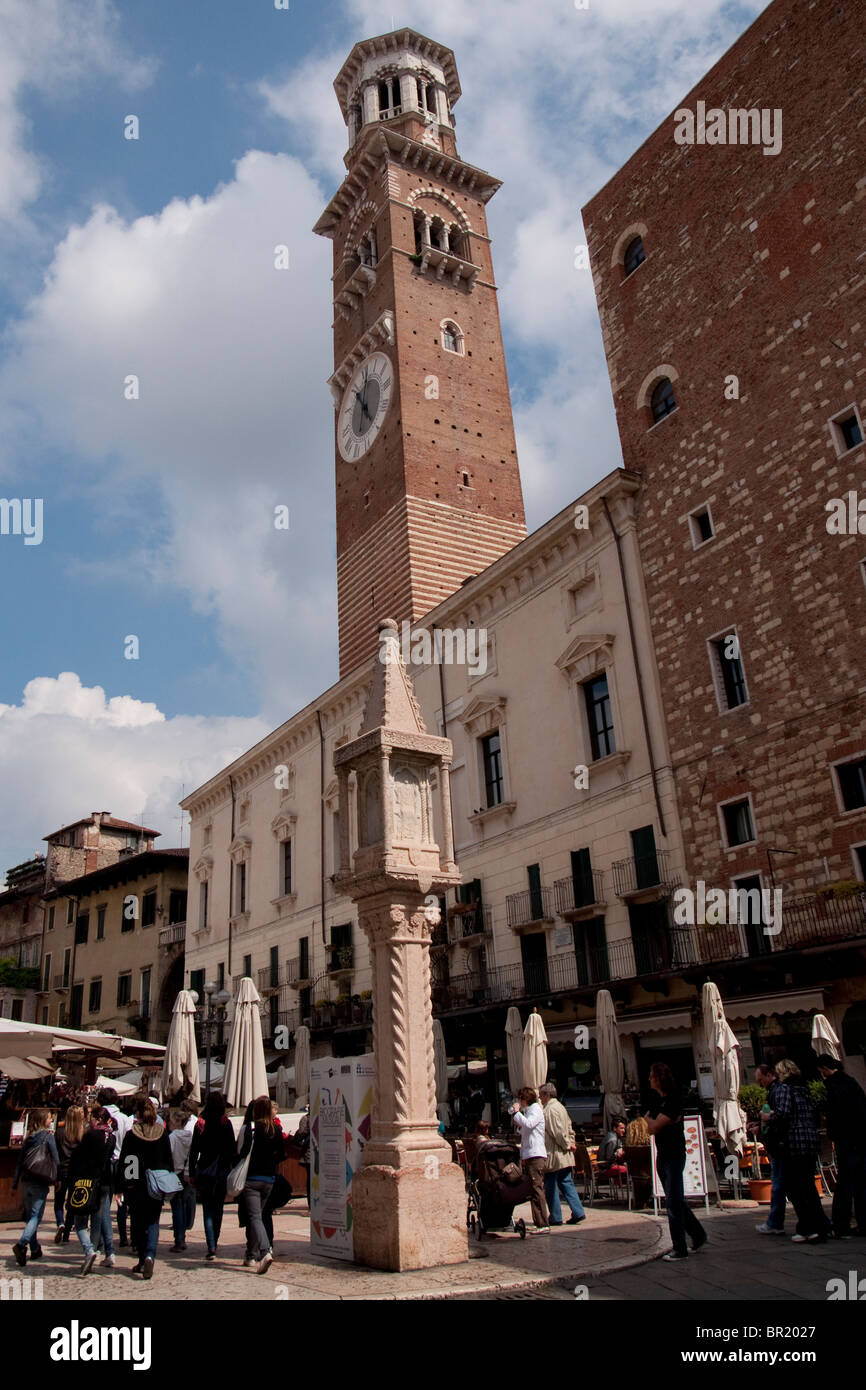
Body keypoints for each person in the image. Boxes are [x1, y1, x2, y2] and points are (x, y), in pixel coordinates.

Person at [645, 1061, 707, 1261]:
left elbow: (652, 1126)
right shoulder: (658, 1101)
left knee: (672, 1203)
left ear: (658, 1078)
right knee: (677, 1200)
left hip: (674, 1155)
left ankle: (679, 1248)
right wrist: (653, 1122)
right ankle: (698, 1234)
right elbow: (651, 1125)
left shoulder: (672, 1101)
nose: (648, 1079)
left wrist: (652, 1121)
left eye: (651, 1076)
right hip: (662, 1154)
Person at [770, 1059, 828, 1243]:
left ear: (781, 1072)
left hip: (794, 1143)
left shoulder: (784, 1089)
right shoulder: (805, 1089)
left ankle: (807, 1228)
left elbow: (783, 1114)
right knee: (809, 1187)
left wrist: (768, 1117)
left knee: (795, 1188)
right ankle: (821, 1226)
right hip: (810, 1141)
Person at [119, 1096, 173, 1279]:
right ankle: (150, 1255)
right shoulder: (162, 1133)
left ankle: (142, 1259)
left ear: (139, 1114)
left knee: (138, 1223)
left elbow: (127, 1162)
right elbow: (168, 1161)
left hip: (137, 1184)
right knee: (153, 1222)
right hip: (156, 1184)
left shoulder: (132, 1134)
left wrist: (124, 1185)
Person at [815, 1053, 866, 1239]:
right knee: (861, 1184)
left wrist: (832, 1132)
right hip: (861, 1139)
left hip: (847, 1141)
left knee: (845, 1184)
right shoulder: (851, 1082)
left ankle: (841, 1225)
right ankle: (863, 1223)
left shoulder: (833, 1086)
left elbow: (835, 1115)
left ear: (824, 1070)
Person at [236, 1094, 286, 1273]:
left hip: (252, 1179)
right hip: (269, 1179)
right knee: (257, 1216)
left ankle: (264, 1252)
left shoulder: (251, 1128)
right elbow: (281, 1155)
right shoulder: (276, 1130)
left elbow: (241, 1153)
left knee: (255, 1217)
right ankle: (250, 1254)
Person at [66, 1106, 114, 1276]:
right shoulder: (111, 1138)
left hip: (85, 1182)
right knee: (98, 1219)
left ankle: (89, 1251)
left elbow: (79, 1159)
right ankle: (101, 1251)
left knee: (79, 1221)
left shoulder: (90, 1136)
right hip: (104, 1182)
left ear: (96, 1118)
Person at [189, 1092, 238, 1260]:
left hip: (204, 1169)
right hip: (222, 1170)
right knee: (218, 1208)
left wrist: (191, 1171)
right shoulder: (226, 1123)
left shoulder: (201, 1123)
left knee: (208, 1209)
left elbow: (194, 1149)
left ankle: (211, 1245)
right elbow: (232, 1148)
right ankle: (214, 1240)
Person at [11, 1108, 60, 1267]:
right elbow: (56, 1160)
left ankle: (35, 1248)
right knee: (35, 1217)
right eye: (48, 1118)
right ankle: (21, 1244)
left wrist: (15, 1183)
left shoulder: (29, 1138)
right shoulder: (48, 1136)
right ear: (42, 1120)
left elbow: (19, 1162)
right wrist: (57, 1179)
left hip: (26, 1181)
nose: (51, 1119)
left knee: (30, 1216)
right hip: (40, 1181)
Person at [539, 1082, 586, 1226]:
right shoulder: (561, 1107)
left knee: (551, 1186)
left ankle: (556, 1216)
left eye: (541, 1095)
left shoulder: (550, 1110)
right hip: (564, 1154)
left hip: (556, 1154)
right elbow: (569, 1127)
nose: (540, 1098)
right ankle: (578, 1211)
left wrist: (567, 1144)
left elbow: (557, 1132)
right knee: (566, 1183)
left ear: (547, 1095)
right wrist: (571, 1142)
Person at [754, 1062, 787, 1236]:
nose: (760, 1084)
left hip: (779, 1146)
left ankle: (775, 1222)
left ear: (769, 1075)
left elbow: (781, 1116)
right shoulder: (773, 1091)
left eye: (761, 1080)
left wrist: (766, 1119)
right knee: (784, 1185)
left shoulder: (778, 1091)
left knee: (779, 1185)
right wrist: (759, 1126)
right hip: (777, 1146)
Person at [510, 1086, 550, 1232]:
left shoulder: (535, 1109)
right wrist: (518, 1117)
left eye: (521, 1099)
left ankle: (543, 1223)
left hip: (535, 1154)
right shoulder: (530, 1110)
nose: (520, 1102)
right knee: (532, 1189)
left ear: (525, 1099)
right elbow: (524, 1129)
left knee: (537, 1188)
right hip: (529, 1154)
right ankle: (538, 1221)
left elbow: (529, 1124)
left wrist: (517, 1113)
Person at [97, 1086, 132, 1248]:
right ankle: (123, 1236)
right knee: (121, 1203)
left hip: (103, 1163)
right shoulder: (125, 1118)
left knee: (103, 1202)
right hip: (121, 1162)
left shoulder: (97, 1117)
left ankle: (102, 1239)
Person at [53, 1104, 85, 1244]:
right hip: (76, 1173)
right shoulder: (83, 1133)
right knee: (72, 1204)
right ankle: (66, 1233)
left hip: (61, 1171)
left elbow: (54, 1154)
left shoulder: (59, 1132)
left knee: (58, 1202)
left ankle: (60, 1223)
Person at [168, 1105, 198, 1252]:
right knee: (184, 1204)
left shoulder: (173, 1137)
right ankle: (183, 1236)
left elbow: (169, 1155)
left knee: (177, 1207)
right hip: (186, 1173)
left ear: (175, 1122)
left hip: (175, 1173)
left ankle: (179, 1239)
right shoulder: (190, 1136)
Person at [598, 1119, 628, 1185]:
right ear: (615, 1128)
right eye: (621, 1128)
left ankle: (618, 1186)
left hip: (605, 1165)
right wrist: (618, 1153)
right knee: (629, 1169)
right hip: (606, 1167)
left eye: (624, 1128)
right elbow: (609, 1158)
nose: (624, 1130)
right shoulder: (613, 1140)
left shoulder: (611, 1135)